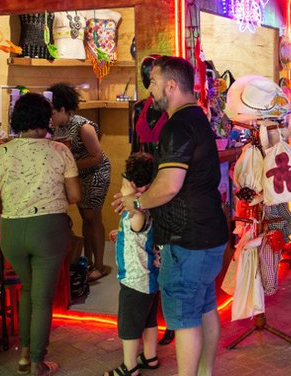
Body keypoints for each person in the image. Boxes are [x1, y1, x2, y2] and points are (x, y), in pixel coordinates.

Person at [113, 56, 229, 376]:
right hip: (209, 233)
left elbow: (168, 186)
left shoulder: (176, 125)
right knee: (205, 308)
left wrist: (137, 204)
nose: (150, 89)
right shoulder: (198, 118)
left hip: (186, 238)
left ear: (171, 85)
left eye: (152, 82)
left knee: (185, 319)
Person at [0, 92, 81, 376]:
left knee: (27, 289)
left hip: (12, 231)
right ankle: (37, 362)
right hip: (48, 230)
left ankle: (24, 354)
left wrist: (11, 203)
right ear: (46, 119)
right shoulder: (60, 151)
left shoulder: (1, 152)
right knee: (43, 298)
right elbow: (74, 195)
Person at [131, 55, 174, 346]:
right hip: (143, 182)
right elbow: (133, 147)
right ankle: (149, 320)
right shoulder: (137, 108)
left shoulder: (173, 110)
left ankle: (170, 320)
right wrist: (131, 183)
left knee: (166, 255)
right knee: (146, 255)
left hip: (168, 183)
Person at [49, 82, 112, 282]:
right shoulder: (58, 127)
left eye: (52, 112)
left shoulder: (83, 126)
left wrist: (69, 165)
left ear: (62, 109)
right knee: (85, 216)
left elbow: (97, 157)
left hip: (95, 173)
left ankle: (100, 265)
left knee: (93, 217)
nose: (50, 117)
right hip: (77, 174)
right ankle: (88, 260)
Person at [105, 153, 160, 376]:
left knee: (129, 325)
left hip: (135, 280)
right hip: (149, 278)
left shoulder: (139, 210)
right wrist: (121, 233)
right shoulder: (150, 203)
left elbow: (137, 222)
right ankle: (150, 357)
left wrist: (131, 202)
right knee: (149, 320)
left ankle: (130, 367)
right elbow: (137, 233)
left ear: (133, 185)